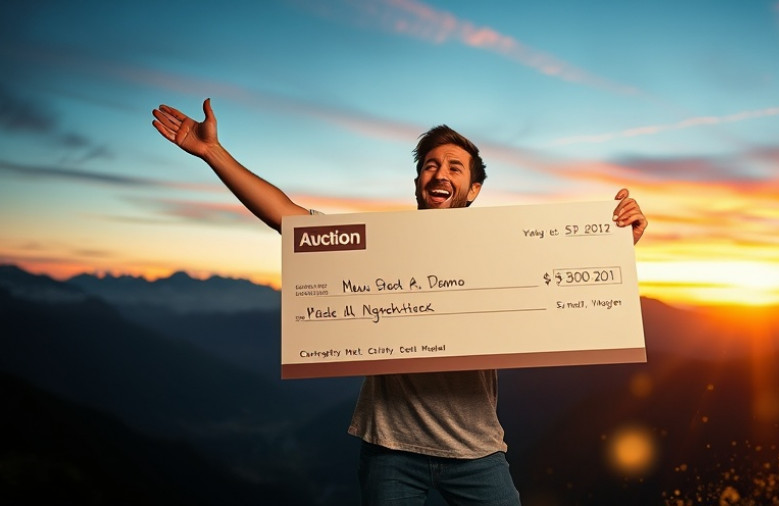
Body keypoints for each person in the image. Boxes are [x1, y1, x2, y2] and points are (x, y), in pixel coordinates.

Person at [151, 98, 647, 505]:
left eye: (455, 166)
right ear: (417, 183)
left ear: (472, 190)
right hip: (389, 452)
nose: (440, 172)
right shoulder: (376, 244)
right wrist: (213, 153)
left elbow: (570, 281)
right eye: (430, 164)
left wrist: (616, 242)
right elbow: (287, 217)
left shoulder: (506, 250)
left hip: (477, 452)